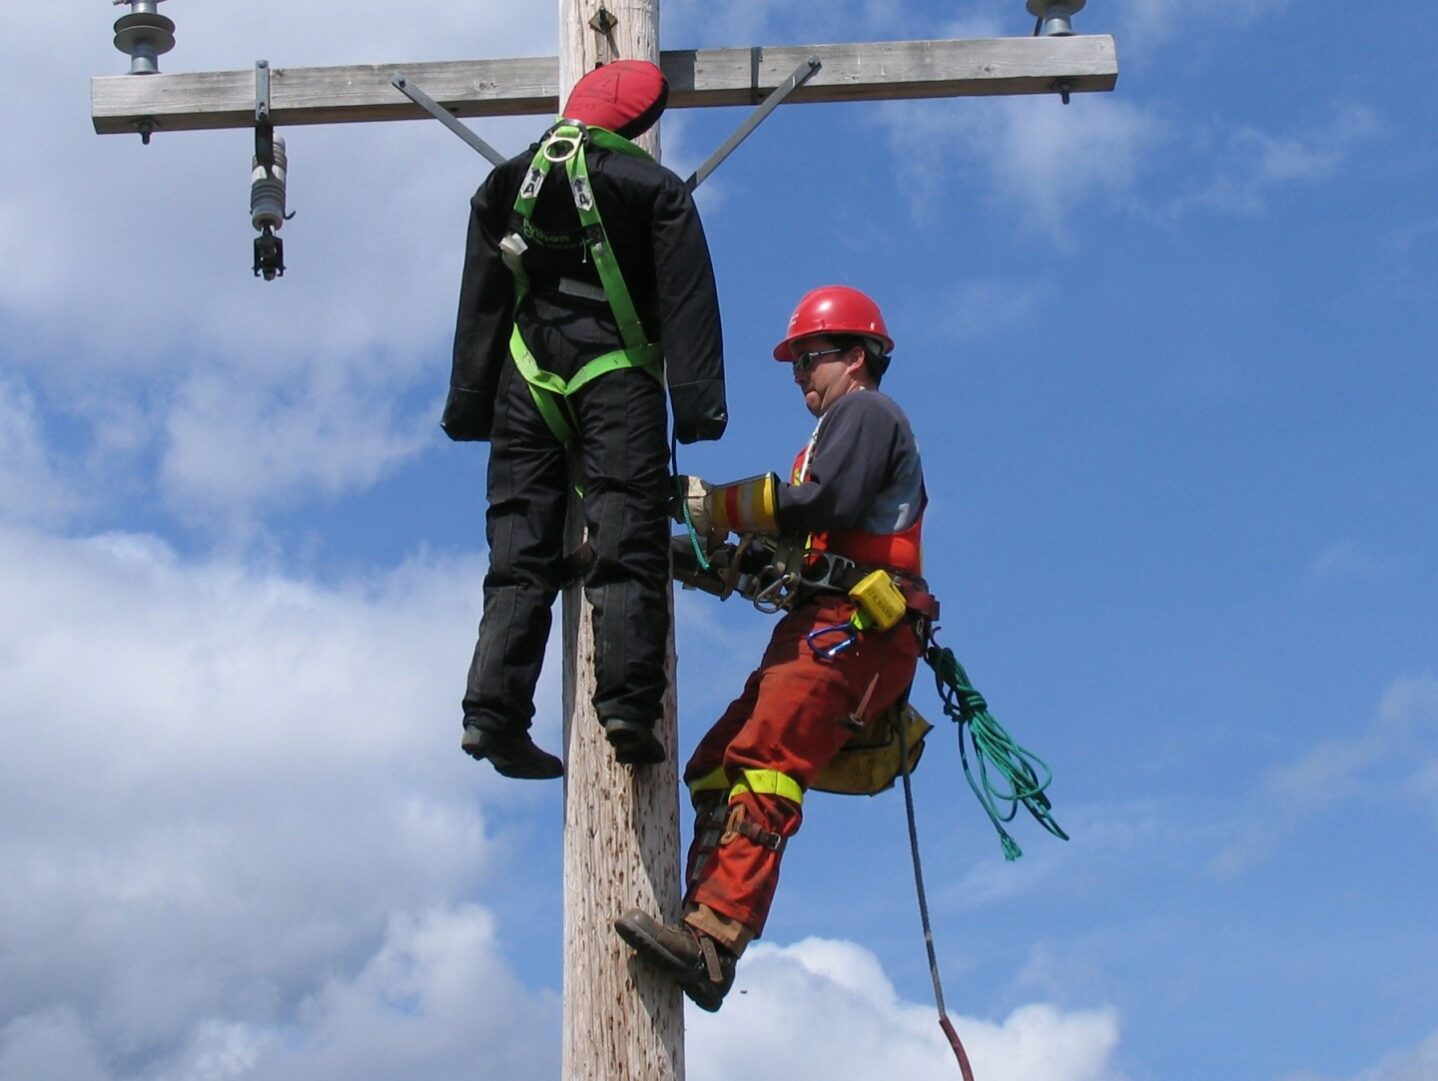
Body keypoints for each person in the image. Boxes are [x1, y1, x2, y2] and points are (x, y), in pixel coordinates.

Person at [616, 285, 930, 1010]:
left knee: (766, 761)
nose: (798, 375)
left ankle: (714, 940)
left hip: (857, 627)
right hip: (822, 620)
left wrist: (719, 505)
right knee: (714, 765)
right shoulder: (825, 438)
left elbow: (824, 505)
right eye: (794, 362)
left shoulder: (867, 413)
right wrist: (703, 554)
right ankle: (698, 910)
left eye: (808, 358)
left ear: (856, 357)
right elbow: (794, 552)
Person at [442, 60, 727, 779]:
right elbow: (689, 298)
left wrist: (469, 401)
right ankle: (629, 708)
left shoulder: (506, 182)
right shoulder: (652, 189)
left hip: (523, 376)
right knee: (626, 532)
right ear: (636, 121)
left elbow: (482, 289)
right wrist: (697, 406)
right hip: (616, 370)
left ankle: (491, 713)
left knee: (518, 551)